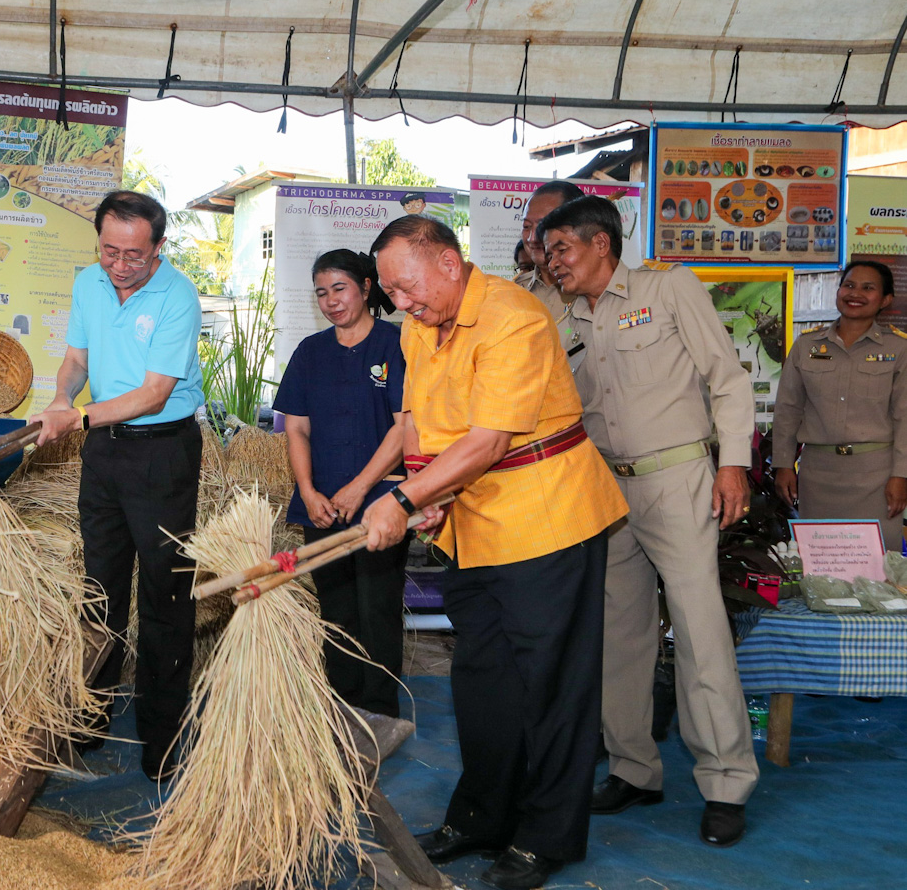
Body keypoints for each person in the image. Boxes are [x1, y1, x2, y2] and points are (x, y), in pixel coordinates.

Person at [360, 215, 627, 890]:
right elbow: (420, 422)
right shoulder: (420, 328)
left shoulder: (515, 316)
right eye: (390, 291)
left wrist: (404, 499)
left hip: (547, 515)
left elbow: (490, 440)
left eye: (406, 285)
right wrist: (428, 489)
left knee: (553, 682)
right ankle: (480, 814)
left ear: (448, 261)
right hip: (473, 520)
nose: (399, 302)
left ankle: (547, 835)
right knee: (481, 677)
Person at [540, 196, 759, 848]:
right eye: (547, 251)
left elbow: (728, 377)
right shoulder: (559, 313)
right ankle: (635, 767)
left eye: (561, 249)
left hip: (678, 477)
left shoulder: (668, 288)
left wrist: (734, 463)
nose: (551, 262)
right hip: (604, 485)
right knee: (618, 632)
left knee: (699, 629)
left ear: (601, 245)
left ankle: (724, 781)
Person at [32, 189, 205, 781]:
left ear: (158, 247)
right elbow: (77, 359)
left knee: (165, 595)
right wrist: (61, 396)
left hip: (163, 454)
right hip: (105, 451)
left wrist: (74, 419)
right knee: (100, 588)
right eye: (110, 251)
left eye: (135, 254)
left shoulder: (177, 295)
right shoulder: (88, 283)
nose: (121, 265)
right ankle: (90, 721)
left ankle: (162, 739)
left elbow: (154, 393)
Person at [273, 249, 408, 717]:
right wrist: (309, 491)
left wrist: (360, 487)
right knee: (336, 610)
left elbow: (403, 427)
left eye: (340, 288)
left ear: (366, 288)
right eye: (321, 292)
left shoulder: (396, 345)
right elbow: (296, 427)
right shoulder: (311, 352)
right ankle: (342, 705)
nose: (331, 301)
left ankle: (380, 713)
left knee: (377, 609)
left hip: (380, 502)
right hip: (322, 503)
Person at [774, 261, 907, 551]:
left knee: (879, 567)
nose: (855, 293)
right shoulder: (807, 346)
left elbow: (904, 419)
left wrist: (901, 475)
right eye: (849, 285)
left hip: (876, 477)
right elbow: (788, 410)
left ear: (885, 300)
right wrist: (783, 464)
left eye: (868, 288)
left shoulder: (898, 349)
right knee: (821, 562)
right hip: (818, 475)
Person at [519, 181, 587, 365]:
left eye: (542, 226)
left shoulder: (599, 290)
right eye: (526, 226)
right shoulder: (512, 293)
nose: (533, 238)